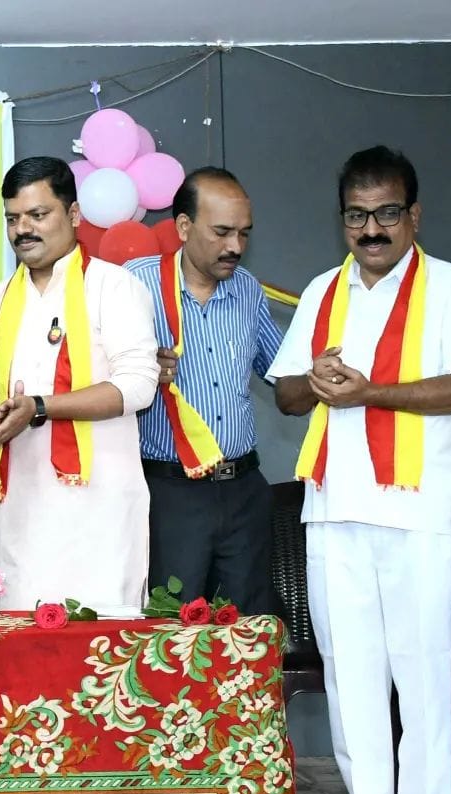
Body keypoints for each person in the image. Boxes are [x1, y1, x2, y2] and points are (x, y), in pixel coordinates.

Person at [267, 146, 451, 794]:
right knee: (351, 676)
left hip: (419, 514)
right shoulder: (321, 292)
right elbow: (286, 396)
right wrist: (314, 378)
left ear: (414, 215)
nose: (371, 229)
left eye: (387, 213)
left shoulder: (450, 286)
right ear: (342, 221)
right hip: (334, 512)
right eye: (357, 215)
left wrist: (371, 393)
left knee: (423, 679)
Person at [0, 156, 161, 609]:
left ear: (73, 214)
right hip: (19, 511)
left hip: (101, 511)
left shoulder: (114, 287)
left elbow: (137, 385)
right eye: (13, 218)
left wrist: (39, 407)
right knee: (20, 640)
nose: (23, 230)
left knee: (102, 642)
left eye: (37, 214)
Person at [124, 167, 283, 614]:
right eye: (222, 232)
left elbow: (283, 374)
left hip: (243, 491)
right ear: (183, 226)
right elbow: (92, 377)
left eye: (244, 233)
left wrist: (322, 371)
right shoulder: (134, 285)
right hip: (171, 494)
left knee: (247, 631)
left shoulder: (247, 290)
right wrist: (136, 371)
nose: (236, 247)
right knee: (171, 632)